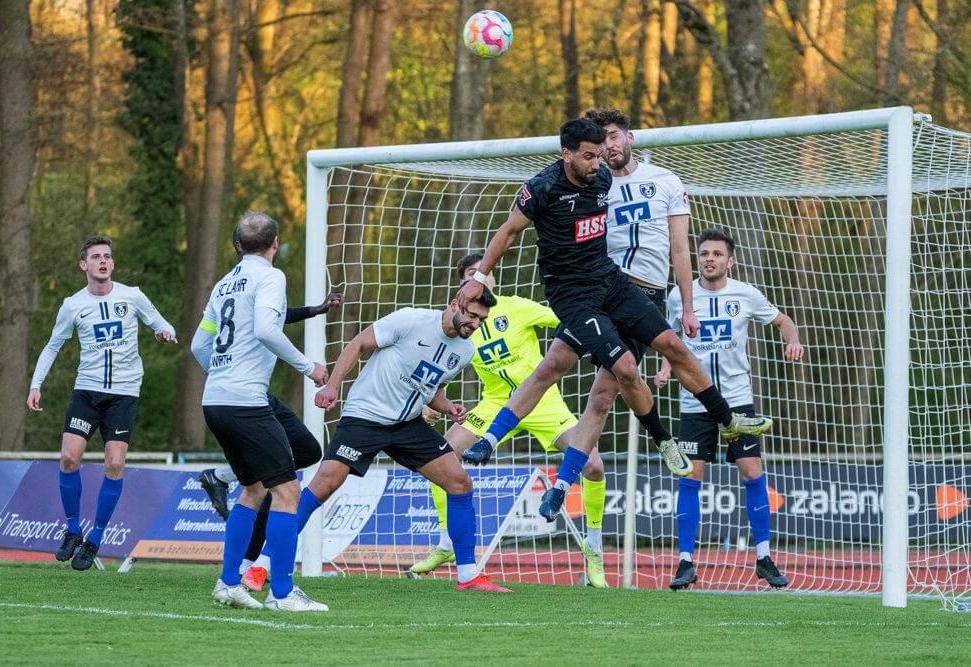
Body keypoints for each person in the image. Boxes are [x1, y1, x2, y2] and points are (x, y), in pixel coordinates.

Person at [456, 118, 772, 524]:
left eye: (603, 151)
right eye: (589, 154)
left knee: (671, 348)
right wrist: (480, 278)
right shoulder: (543, 187)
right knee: (590, 371)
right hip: (574, 295)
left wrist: (687, 305)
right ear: (566, 154)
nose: (597, 161)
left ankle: (725, 420)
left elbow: (675, 244)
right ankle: (497, 444)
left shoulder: (613, 180)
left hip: (618, 284)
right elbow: (508, 231)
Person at [410, 253, 609, 588]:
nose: (478, 279)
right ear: (463, 286)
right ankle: (446, 542)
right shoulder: (461, 323)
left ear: (493, 280)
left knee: (593, 466)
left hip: (542, 402)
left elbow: (564, 320)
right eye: (471, 275)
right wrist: (432, 401)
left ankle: (594, 548)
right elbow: (442, 363)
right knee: (439, 455)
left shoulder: (517, 307)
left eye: (483, 274)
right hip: (495, 405)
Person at [301, 286, 510, 592]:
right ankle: (262, 565)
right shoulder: (411, 320)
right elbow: (359, 343)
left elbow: (432, 387)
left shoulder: (466, 351)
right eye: (472, 315)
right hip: (366, 416)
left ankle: (468, 575)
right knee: (324, 485)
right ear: (455, 303)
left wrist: (448, 406)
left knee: (459, 482)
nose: (476, 324)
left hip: (407, 424)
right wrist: (333, 386)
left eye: (482, 319)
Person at [545, 106, 699, 514]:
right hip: (595, 291)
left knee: (604, 393)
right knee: (555, 361)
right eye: (600, 140)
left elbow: (680, 249)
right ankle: (511, 448)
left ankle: (563, 484)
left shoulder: (664, 180)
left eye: (613, 136)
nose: (608, 145)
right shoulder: (590, 180)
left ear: (629, 138)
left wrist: (686, 306)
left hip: (641, 297)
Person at [191, 211, 329, 612]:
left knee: (253, 489)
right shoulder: (271, 277)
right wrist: (310, 368)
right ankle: (283, 594)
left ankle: (229, 583)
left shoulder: (223, 284)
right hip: (244, 399)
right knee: (287, 491)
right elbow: (268, 330)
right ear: (275, 244)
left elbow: (199, 346)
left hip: (216, 398)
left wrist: (224, 373)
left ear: (237, 246)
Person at [657, 229, 802, 590]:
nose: (709, 258)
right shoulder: (680, 296)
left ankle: (764, 558)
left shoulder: (746, 294)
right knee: (690, 478)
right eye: (704, 253)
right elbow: (668, 339)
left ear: (729, 261)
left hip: (738, 401)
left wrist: (794, 340)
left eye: (717, 254)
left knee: (753, 473)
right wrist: (664, 367)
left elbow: (784, 321)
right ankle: (686, 563)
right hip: (695, 402)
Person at [27, 235, 177, 571]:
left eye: (107, 256)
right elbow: (53, 346)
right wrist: (36, 385)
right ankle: (72, 529)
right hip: (87, 392)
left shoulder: (132, 296)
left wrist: (164, 332)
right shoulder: (72, 305)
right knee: (68, 457)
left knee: (114, 464)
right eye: (96, 257)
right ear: (84, 265)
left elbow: (163, 323)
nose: (103, 261)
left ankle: (95, 537)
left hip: (124, 394)